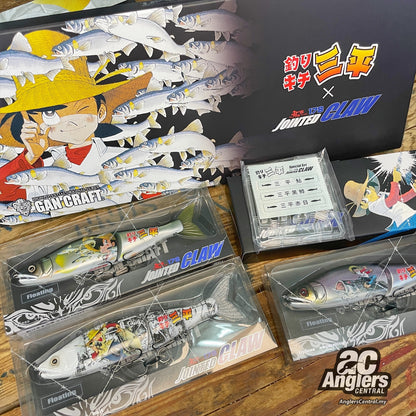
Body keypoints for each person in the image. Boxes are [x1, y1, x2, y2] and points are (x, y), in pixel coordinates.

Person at [0, 29, 151, 201]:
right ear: (31, 120)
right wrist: (30, 157)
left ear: (101, 112)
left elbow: (154, 193)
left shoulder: (124, 159)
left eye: (80, 108)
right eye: (50, 113)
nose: (66, 121)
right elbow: (4, 194)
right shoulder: (41, 171)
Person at [344, 168, 416, 233]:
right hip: (406, 221)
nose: (368, 197)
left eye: (367, 192)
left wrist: (413, 191)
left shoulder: (381, 195)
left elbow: (400, 199)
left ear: (371, 187)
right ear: (363, 205)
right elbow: (392, 200)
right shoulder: (373, 206)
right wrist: (395, 181)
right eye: (364, 200)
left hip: (410, 216)